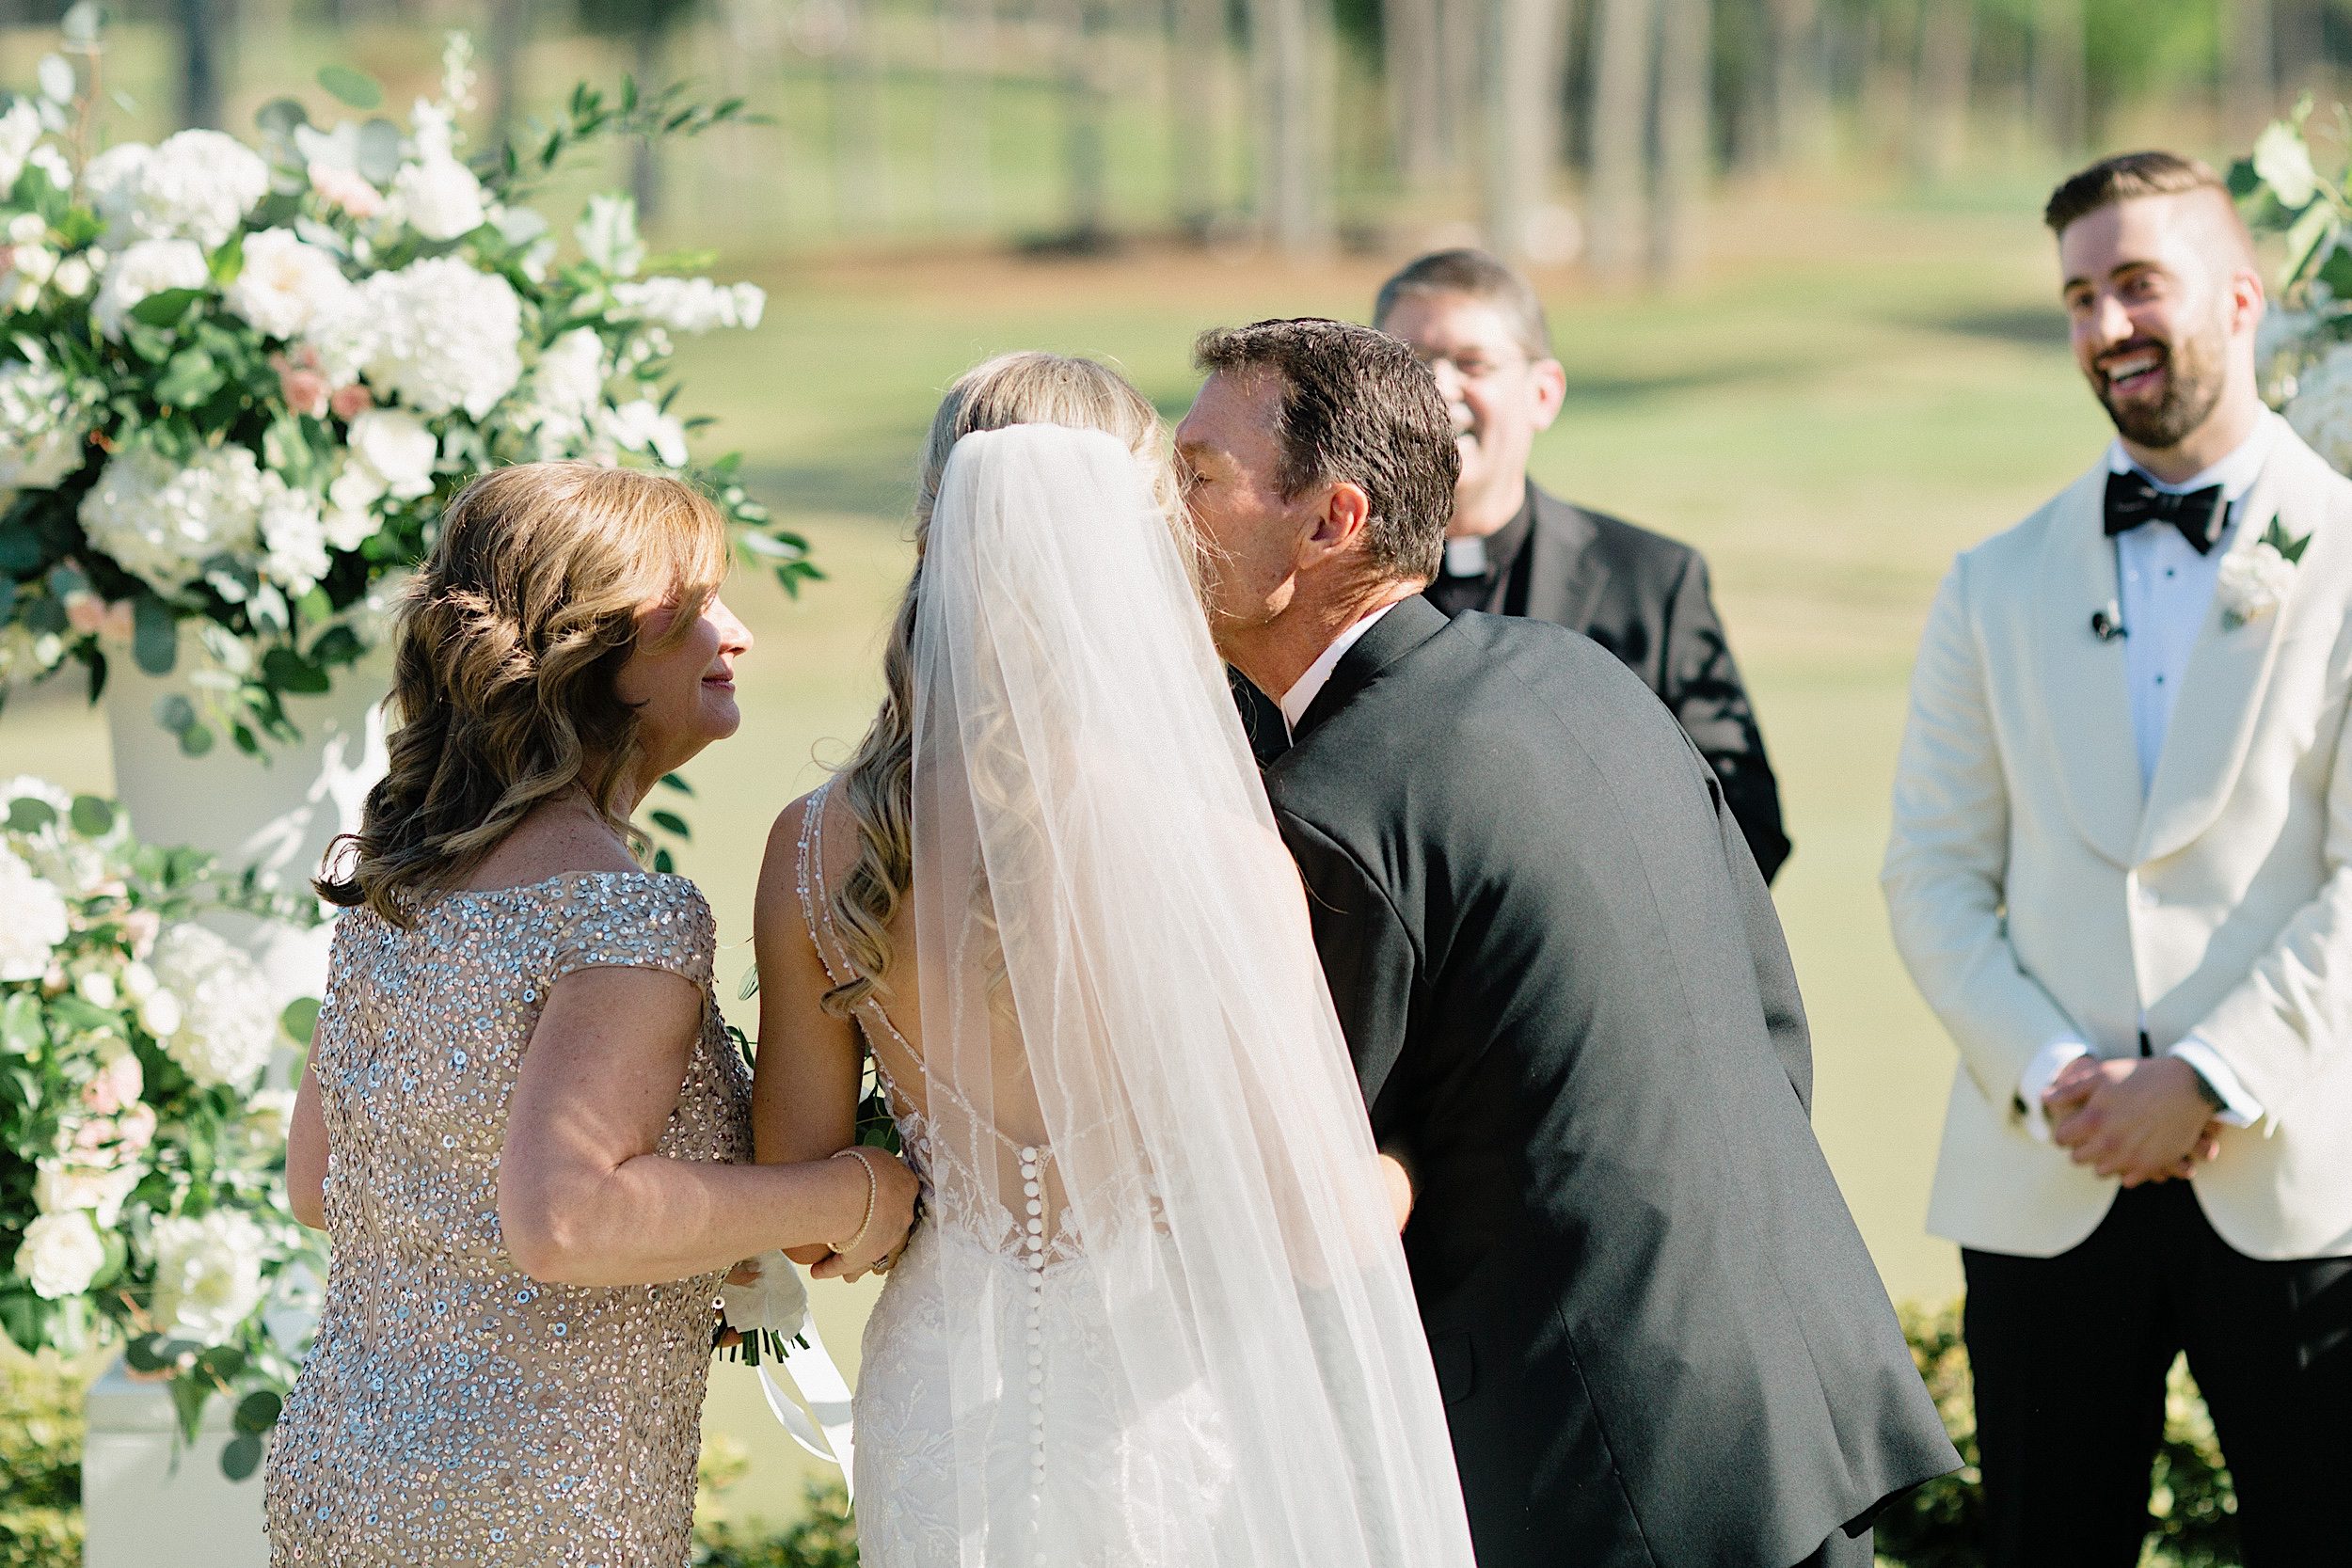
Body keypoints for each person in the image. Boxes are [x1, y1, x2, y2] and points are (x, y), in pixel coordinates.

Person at [1178, 317, 1958, 1568]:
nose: (1163, 513)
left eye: (1199, 476)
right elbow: (1769, 1013)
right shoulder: (1582, 673)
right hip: (1787, 1396)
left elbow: (1311, 1208)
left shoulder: (1326, 818)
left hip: (1601, 1472)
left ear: (1331, 521)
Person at [749, 354, 1476, 1568]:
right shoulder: (1218, 854)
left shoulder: (814, 847)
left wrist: (910, 1179)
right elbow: (1316, 1230)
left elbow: (805, 1200)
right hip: (1166, 1411)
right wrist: (1411, 1165)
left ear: (938, 525)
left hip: (939, 1402)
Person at [264, 463, 919, 1566]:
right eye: (693, 606)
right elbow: (567, 1217)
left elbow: (321, 1178)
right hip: (529, 1503)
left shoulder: (406, 884)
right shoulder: (623, 914)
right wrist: (850, 1188)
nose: (737, 632)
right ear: (592, 652)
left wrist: (684, 1246)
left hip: (347, 1471)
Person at [1883, 151, 2352, 1567]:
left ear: (2243, 297)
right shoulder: (1993, 580)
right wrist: (2056, 1077)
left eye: (2138, 284)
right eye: (2080, 297)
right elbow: (1931, 871)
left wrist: (2204, 1075)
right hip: (2049, 1175)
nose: (2106, 325)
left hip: (2298, 1175)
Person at [1368, 249, 1791, 879]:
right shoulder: (1313, 579)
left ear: (1543, 394)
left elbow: (1744, 824)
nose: (1437, 388)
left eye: (1472, 363)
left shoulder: (1651, 582)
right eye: (1408, 363)